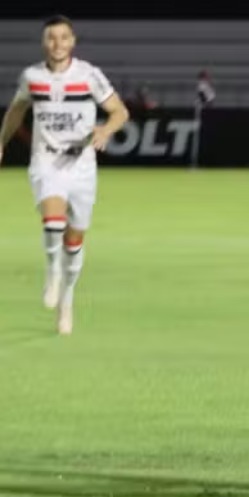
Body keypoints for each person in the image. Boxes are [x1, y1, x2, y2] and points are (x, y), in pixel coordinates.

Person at [0, 14, 130, 335]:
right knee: (52, 220)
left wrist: (106, 130)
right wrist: (0, 142)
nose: (57, 43)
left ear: (73, 42)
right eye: (51, 37)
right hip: (46, 161)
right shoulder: (32, 77)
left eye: (63, 37)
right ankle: (52, 273)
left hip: (82, 166)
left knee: (75, 239)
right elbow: (17, 111)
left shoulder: (88, 76)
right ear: (44, 42)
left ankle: (67, 299)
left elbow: (120, 111)